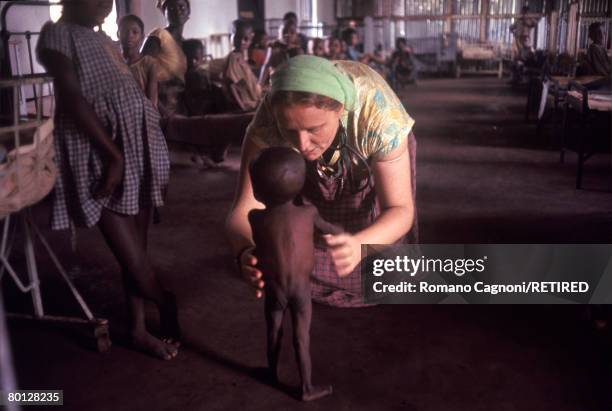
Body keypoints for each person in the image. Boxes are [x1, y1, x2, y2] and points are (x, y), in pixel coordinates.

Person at [37, 0, 179, 360]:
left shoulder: (106, 41)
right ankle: (165, 301)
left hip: (142, 142)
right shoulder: (56, 35)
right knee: (131, 257)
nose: (104, 3)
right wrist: (113, 154)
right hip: (102, 150)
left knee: (139, 249)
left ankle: (138, 330)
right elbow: (71, 97)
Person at [226, 56, 417, 307]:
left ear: (339, 110)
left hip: (370, 156)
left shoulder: (380, 118)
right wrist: (245, 251)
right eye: (290, 131)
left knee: (386, 268)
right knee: (293, 259)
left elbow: (400, 209)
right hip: (325, 176)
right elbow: (244, 207)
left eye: (314, 129)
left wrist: (359, 244)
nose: (302, 144)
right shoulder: (268, 122)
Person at [249, 147, 339, 401]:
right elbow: (330, 229)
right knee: (301, 338)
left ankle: (271, 373)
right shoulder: (308, 213)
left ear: (257, 191)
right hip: (301, 290)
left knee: (273, 331)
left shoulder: (255, 217)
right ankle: (306, 388)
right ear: (300, 187)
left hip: (274, 288)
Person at [142, 0, 190, 117]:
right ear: (164, 12)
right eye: (172, 8)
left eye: (181, 7)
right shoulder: (158, 36)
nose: (178, 11)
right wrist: (161, 111)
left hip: (179, 106)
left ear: (188, 11)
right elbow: (142, 73)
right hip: (159, 105)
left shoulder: (186, 45)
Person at [118, 14, 159, 108]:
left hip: (144, 112)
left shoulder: (149, 63)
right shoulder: (114, 62)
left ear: (142, 36)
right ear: (118, 34)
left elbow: (153, 97)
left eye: (135, 32)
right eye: (125, 31)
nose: (129, 35)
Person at [224, 20, 262, 112]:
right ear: (230, 37)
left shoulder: (240, 57)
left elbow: (243, 82)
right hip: (247, 105)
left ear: (250, 40)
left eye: (245, 39)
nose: (241, 42)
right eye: (237, 37)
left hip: (253, 102)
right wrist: (242, 108)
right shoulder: (233, 58)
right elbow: (232, 85)